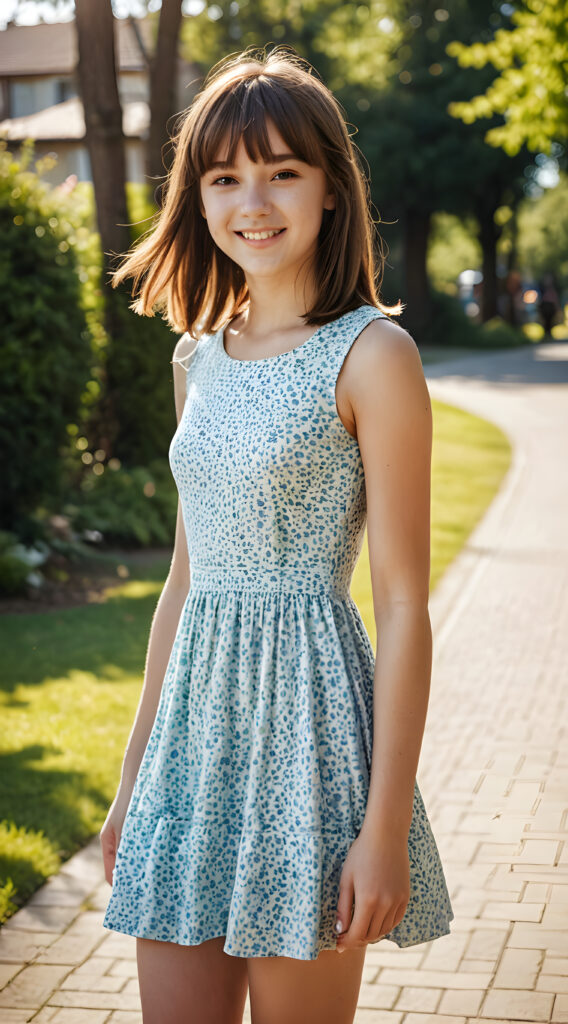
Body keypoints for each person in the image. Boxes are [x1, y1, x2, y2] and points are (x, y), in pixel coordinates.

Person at [99, 46, 453, 1024]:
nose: (253, 200)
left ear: (331, 188)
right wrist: (134, 783)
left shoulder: (375, 355)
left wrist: (383, 827)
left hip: (309, 741)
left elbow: (403, 606)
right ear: (198, 199)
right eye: (224, 178)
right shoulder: (193, 357)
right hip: (191, 749)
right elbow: (182, 583)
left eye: (283, 171)